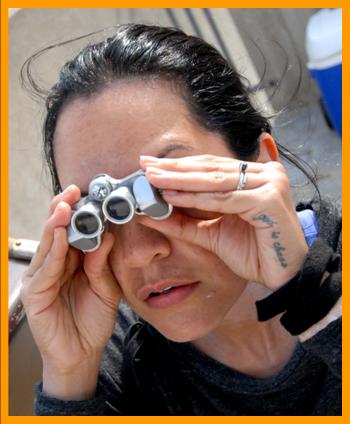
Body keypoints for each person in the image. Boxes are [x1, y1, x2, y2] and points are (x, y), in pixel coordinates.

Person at [20, 24, 341, 416]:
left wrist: (316, 296)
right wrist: (69, 374)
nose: (140, 252)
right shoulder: (118, 360)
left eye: (167, 191)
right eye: (100, 215)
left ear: (261, 163)